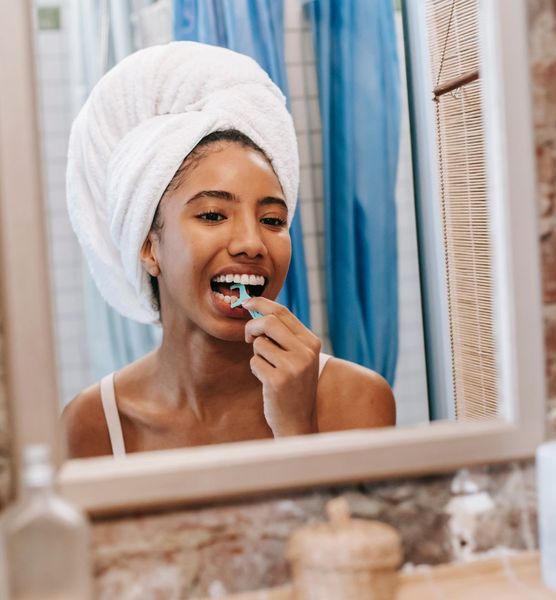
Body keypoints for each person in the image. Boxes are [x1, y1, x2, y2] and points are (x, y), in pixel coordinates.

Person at [61, 42, 395, 458]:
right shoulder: (93, 425)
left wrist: (297, 429)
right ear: (149, 247)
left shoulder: (355, 399)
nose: (252, 244)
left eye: (272, 220)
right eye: (213, 215)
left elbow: (347, 525)